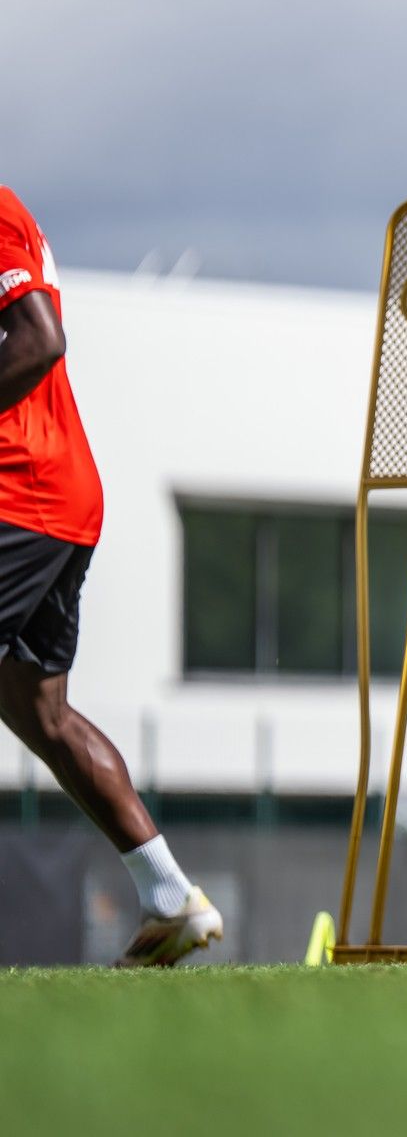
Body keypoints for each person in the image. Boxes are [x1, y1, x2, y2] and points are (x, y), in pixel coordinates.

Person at [0, 187, 221, 966]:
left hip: (18, 491)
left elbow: (39, 339)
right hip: (54, 496)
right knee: (39, 711)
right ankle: (169, 895)